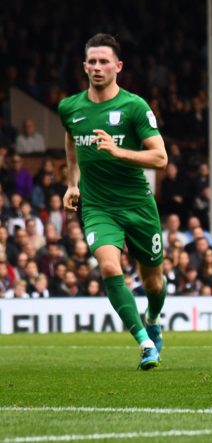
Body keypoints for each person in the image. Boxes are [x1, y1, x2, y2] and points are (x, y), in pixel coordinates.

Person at [59, 34, 168, 370]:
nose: (97, 67)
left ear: (118, 66)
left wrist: (118, 151)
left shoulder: (134, 106)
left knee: (153, 281)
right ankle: (145, 343)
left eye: (104, 61)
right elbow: (71, 142)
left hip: (137, 204)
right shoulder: (70, 108)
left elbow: (160, 158)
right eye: (91, 61)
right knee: (108, 265)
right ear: (84, 66)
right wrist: (71, 183)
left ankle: (151, 317)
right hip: (98, 206)